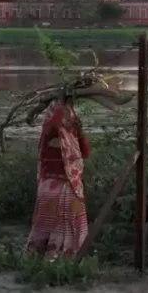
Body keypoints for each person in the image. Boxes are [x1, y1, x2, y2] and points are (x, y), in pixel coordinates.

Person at [25, 96, 91, 257]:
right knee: (59, 224)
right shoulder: (57, 129)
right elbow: (85, 152)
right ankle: (61, 257)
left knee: (47, 225)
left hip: (56, 187)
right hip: (60, 187)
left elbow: (86, 152)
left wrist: (79, 131)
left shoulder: (64, 131)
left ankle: (44, 256)